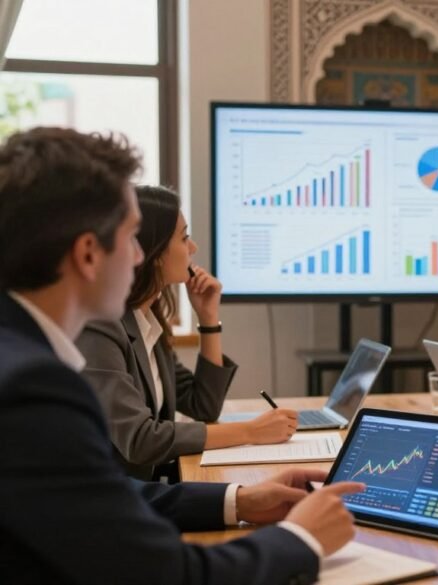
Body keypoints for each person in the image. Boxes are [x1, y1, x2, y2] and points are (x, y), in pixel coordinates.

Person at [0, 127, 363, 584]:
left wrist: (236, 500)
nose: (138, 257)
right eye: (133, 238)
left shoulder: (22, 359)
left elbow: (101, 496)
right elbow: (168, 574)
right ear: (88, 254)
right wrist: (302, 540)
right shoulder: (31, 388)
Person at [77, 185, 297, 480]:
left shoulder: (148, 322)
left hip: (150, 491)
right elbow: (139, 440)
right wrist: (250, 431)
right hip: (114, 502)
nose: (192, 249)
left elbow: (202, 405)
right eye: (184, 238)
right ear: (152, 252)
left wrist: (208, 317)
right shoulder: (101, 327)